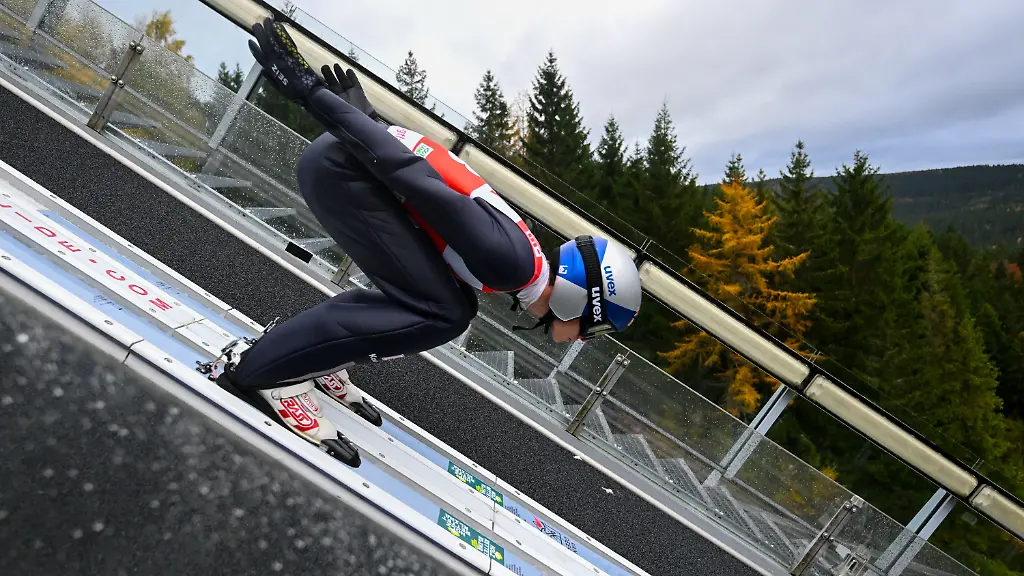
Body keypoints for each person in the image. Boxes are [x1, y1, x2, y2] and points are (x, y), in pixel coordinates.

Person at [200, 19, 643, 467]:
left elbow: (433, 178)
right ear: (578, 300)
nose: (580, 340)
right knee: (446, 314)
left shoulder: (517, 262)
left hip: (348, 168)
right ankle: (266, 371)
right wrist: (310, 92)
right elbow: (417, 180)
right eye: (591, 328)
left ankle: (317, 357)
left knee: (449, 303)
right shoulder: (509, 264)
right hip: (341, 173)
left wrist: (368, 120)